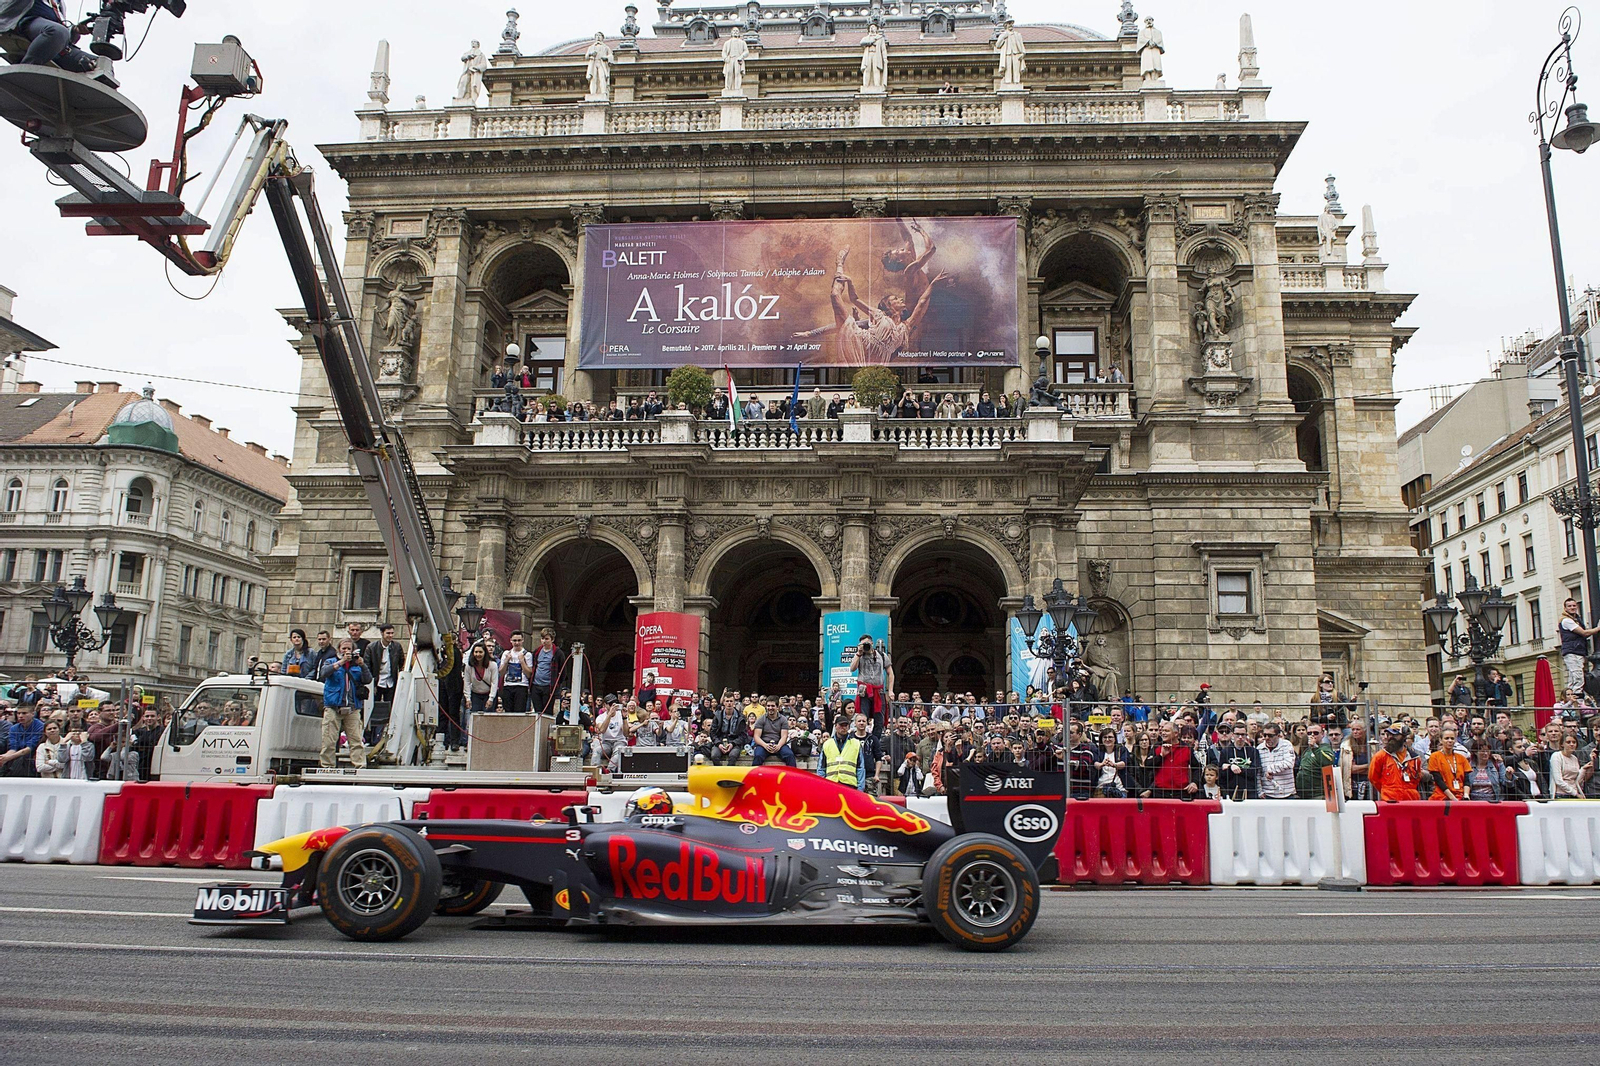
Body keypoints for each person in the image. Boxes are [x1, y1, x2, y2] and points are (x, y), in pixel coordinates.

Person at [0, 0, 97, 73]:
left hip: (58, 45)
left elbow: (65, 35)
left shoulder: (58, 3)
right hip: (27, 25)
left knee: (101, 65)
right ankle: (25, 71)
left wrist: (75, 30)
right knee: (58, 32)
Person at [317, 638, 368, 769]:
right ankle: (327, 766)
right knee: (329, 740)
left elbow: (367, 679)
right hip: (333, 706)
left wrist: (362, 664)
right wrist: (341, 662)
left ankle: (360, 766)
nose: (346, 651)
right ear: (339, 649)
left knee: (356, 741)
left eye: (349, 649)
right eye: (343, 648)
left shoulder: (356, 665)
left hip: (352, 707)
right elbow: (323, 673)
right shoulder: (331, 661)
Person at [365, 624, 404, 746]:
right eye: (388, 633)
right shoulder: (372, 647)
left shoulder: (397, 647)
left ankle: (387, 736)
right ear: (382, 633)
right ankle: (369, 738)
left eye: (392, 633)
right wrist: (372, 683)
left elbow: (401, 663)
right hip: (376, 682)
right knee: (372, 709)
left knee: (390, 709)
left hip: (390, 682)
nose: (390, 636)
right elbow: (367, 666)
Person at [851, 635, 893, 743]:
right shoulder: (859, 656)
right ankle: (862, 741)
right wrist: (858, 653)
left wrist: (891, 690)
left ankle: (874, 742)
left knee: (879, 721)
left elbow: (890, 673)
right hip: (864, 692)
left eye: (867, 644)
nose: (866, 646)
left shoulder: (882, 655)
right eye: (863, 644)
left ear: (872, 643)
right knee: (862, 718)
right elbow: (852, 668)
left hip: (879, 691)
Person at [1369, 725, 1423, 802]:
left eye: (1395, 735)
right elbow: (1373, 778)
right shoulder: (1380, 756)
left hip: (1411, 801)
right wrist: (1388, 790)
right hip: (1389, 801)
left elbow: (1416, 779)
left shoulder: (1415, 758)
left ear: (1403, 737)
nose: (1390, 737)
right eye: (1388, 734)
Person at [1558, 598, 1600, 692]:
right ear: (1565, 608)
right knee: (1578, 678)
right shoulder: (1567, 621)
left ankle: (1571, 700)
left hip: (1576, 651)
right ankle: (1577, 701)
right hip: (1573, 651)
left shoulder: (1575, 619)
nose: (1572, 607)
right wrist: (1598, 629)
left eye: (1574, 605)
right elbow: (1584, 633)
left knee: (1573, 678)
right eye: (1569, 606)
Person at [818, 714, 869, 791]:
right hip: (831, 784)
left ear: (848, 727)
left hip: (849, 785)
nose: (843, 727)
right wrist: (821, 785)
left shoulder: (856, 743)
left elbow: (860, 768)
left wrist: (860, 788)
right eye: (841, 725)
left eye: (845, 725)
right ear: (835, 726)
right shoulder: (827, 744)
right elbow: (821, 767)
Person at [1214, 721, 1262, 800]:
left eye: (1243, 734)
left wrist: (1235, 769)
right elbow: (1222, 775)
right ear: (1233, 735)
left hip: (1250, 792)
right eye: (1237, 734)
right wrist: (1231, 767)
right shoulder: (1225, 751)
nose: (1240, 737)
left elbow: (1254, 772)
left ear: (1246, 735)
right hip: (1231, 792)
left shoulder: (1253, 751)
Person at [1427, 724, 1470, 801]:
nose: (1450, 741)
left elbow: (1466, 780)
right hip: (1441, 797)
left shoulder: (1462, 758)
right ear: (1441, 740)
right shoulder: (1434, 757)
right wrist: (1453, 798)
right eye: (1446, 738)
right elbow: (1438, 780)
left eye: (1452, 738)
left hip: (1460, 797)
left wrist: (1466, 795)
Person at [1295, 722, 1338, 799]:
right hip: (1303, 793)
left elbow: (1327, 762)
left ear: (1322, 734)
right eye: (1309, 733)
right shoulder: (1307, 749)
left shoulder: (1325, 748)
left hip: (1317, 794)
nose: (1312, 735)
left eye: (1315, 733)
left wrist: (1315, 747)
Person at [1, 702, 43, 778]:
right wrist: (3, 757)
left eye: (24, 713)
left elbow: (29, 749)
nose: (20, 716)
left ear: (33, 714)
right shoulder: (14, 728)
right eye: (18, 713)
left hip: (32, 760)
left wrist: (8, 758)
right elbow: (13, 748)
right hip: (16, 757)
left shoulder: (40, 726)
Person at [496, 631, 534, 715]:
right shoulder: (506, 653)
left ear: (522, 640)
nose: (517, 643)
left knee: (519, 712)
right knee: (508, 712)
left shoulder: (527, 655)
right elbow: (501, 673)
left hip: (521, 686)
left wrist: (522, 661)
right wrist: (506, 661)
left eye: (519, 640)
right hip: (508, 686)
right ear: (511, 641)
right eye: (515, 640)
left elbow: (529, 674)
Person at [1257, 722, 1296, 799]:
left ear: (1278, 735)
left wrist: (1270, 769)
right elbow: (1258, 772)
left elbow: (1289, 763)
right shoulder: (1259, 748)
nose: (1267, 738)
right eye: (1265, 735)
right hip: (1267, 794)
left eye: (1270, 735)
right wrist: (1259, 791)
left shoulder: (1286, 745)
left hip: (1287, 793)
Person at [1340, 716, 1372, 801]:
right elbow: (1351, 769)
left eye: (1358, 729)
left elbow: (1376, 768)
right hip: (1352, 785)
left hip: (1370, 784)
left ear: (1364, 730)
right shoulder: (1346, 746)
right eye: (1353, 729)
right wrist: (1369, 765)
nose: (1355, 732)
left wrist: (1360, 768)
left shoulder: (1372, 745)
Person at [528, 628, 560, 713]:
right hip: (536, 685)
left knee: (547, 711)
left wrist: (556, 683)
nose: (544, 641)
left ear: (552, 639)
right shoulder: (537, 652)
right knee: (537, 710)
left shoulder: (557, 653)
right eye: (542, 639)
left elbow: (562, 671)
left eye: (546, 639)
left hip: (548, 686)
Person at [1550, 733, 1588, 798]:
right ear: (1562, 744)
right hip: (1561, 795)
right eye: (1568, 742)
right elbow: (1558, 780)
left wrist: (1583, 769)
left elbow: (1576, 779)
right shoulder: (1556, 756)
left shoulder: (1574, 758)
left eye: (1574, 742)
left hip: (1575, 793)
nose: (1571, 744)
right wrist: (1575, 793)